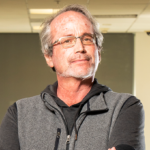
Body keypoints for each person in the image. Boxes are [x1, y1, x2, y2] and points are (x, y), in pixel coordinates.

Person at [0, 4, 145, 150]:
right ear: (49, 57)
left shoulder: (125, 107)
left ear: (98, 53)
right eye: (67, 41)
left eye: (87, 39)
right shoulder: (19, 113)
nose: (80, 48)